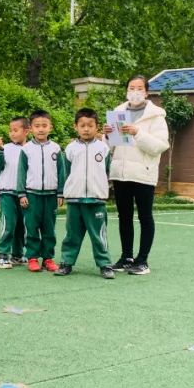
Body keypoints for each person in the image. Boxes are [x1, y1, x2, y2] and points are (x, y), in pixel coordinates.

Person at [107, 75, 170, 275]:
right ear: (126, 90)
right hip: (120, 173)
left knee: (145, 216)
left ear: (146, 92)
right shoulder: (118, 112)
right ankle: (126, 257)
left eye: (139, 88)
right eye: (131, 87)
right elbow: (111, 146)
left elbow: (160, 146)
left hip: (143, 173)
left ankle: (142, 260)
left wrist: (137, 133)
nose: (135, 91)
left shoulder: (156, 116)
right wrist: (107, 134)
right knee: (124, 216)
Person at [57, 108, 112, 277]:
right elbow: (64, 173)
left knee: (99, 235)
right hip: (74, 199)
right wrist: (61, 193)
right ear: (76, 127)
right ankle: (66, 263)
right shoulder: (71, 148)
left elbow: (108, 171)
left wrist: (103, 189)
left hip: (97, 200)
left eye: (90, 125)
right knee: (71, 235)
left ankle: (105, 264)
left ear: (97, 127)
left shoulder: (104, 148)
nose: (86, 129)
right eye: (82, 125)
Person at [17, 109, 66, 273]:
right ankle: (32, 257)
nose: (41, 129)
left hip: (51, 195)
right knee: (31, 227)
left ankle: (48, 258)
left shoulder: (56, 148)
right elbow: (21, 172)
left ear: (50, 127)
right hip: (31, 195)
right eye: (37, 126)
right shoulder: (26, 149)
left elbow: (61, 172)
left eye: (44, 125)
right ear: (31, 128)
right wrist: (21, 194)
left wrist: (61, 192)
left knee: (49, 228)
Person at [0, 116, 29, 269]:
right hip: (7, 192)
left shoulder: (30, 149)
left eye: (16, 130)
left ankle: (17, 255)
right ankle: (2, 254)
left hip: (24, 194)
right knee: (9, 223)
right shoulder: (5, 148)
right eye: (10, 130)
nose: (12, 133)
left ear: (26, 131)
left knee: (21, 225)